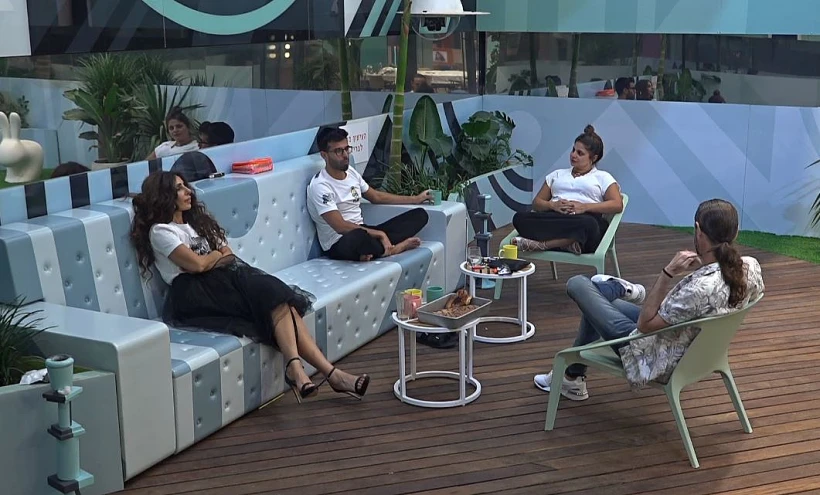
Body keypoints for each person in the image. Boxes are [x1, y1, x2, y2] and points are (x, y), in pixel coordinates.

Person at [130, 171, 370, 403]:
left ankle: (306, 370)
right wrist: (214, 256)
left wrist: (212, 259)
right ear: (164, 196)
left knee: (278, 301)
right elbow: (198, 265)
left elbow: (228, 255)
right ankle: (329, 375)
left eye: (185, 186)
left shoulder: (197, 223)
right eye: (179, 189)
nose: (188, 192)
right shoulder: (161, 231)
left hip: (222, 281)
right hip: (193, 294)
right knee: (273, 298)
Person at [534, 199, 764, 399]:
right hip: (695, 349)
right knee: (596, 299)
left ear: (698, 230)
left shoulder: (698, 289)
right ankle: (572, 376)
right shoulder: (750, 266)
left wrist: (667, 273)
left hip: (650, 354)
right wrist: (701, 268)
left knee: (580, 284)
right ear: (735, 233)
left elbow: (644, 326)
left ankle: (620, 290)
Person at [307, 127, 431, 262]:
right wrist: (380, 234)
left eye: (347, 149)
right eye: (338, 151)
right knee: (359, 237)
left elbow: (376, 197)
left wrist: (416, 199)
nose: (345, 155)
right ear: (324, 155)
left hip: (364, 230)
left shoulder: (351, 173)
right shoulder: (320, 186)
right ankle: (392, 249)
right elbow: (340, 226)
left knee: (420, 215)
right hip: (339, 241)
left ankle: (372, 251)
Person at [511, 125, 622, 255]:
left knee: (590, 225)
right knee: (519, 218)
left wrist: (585, 207)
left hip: (583, 219)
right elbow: (537, 203)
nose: (573, 155)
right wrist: (552, 205)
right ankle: (568, 244)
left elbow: (617, 204)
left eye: (580, 153)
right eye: (573, 150)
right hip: (556, 218)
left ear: (593, 158)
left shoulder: (603, 177)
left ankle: (542, 245)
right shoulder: (557, 174)